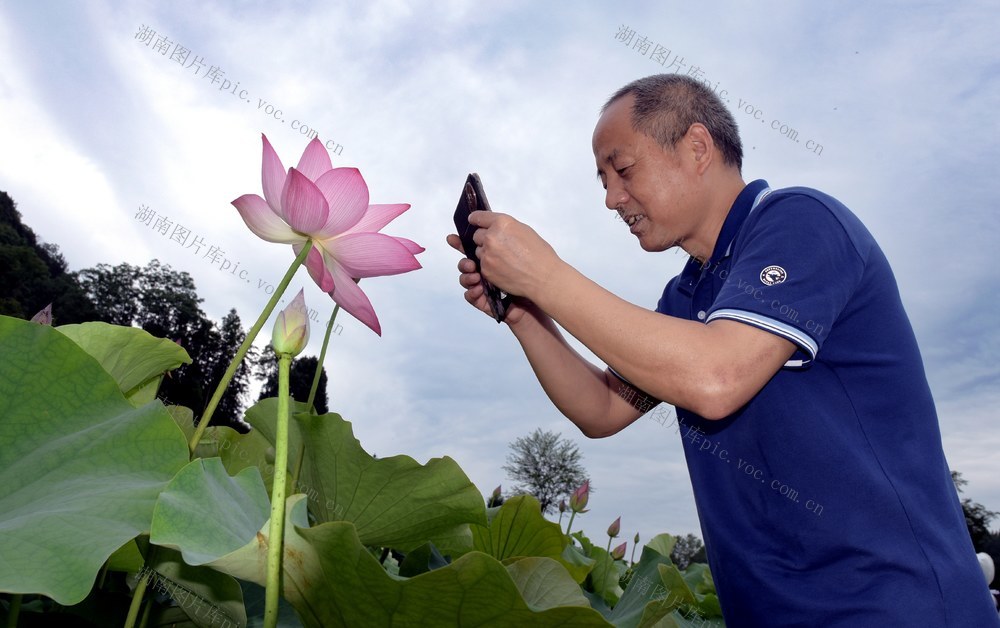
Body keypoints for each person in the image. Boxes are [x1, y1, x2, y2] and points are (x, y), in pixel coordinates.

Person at [447, 74, 999, 625]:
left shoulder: (803, 221)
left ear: (696, 147)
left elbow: (715, 378)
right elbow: (602, 409)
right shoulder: (685, 295)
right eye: (603, 180)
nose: (612, 198)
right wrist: (524, 312)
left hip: (895, 606)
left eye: (623, 169)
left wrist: (546, 275)